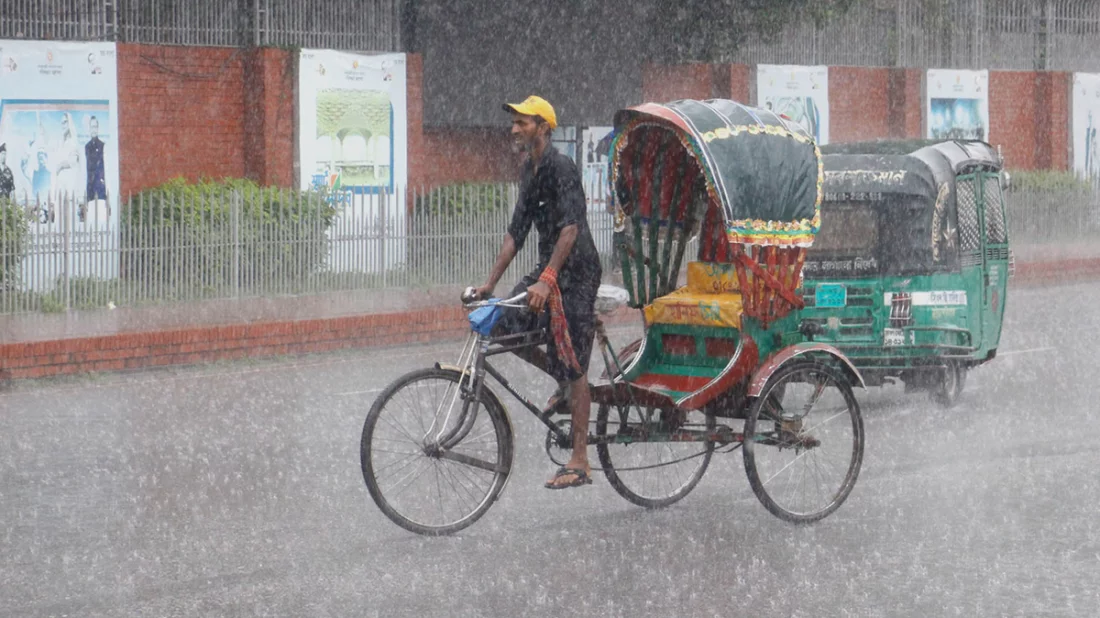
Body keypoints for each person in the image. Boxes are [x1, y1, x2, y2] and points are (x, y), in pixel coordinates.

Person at [473, 95, 603, 490]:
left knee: (575, 360)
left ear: (544, 127)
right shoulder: (528, 172)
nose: (514, 129)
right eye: (513, 123)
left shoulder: (561, 167)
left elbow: (570, 228)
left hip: (576, 272)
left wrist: (548, 279)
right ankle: (563, 382)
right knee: (500, 324)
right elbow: (516, 233)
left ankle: (580, 459)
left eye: (523, 122)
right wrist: (490, 284)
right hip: (547, 269)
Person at [85, 116, 108, 222]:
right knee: (90, 222)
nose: (93, 129)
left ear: (98, 128)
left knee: (101, 221)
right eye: (91, 127)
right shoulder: (87, 147)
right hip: (90, 189)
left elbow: (105, 169)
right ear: (89, 128)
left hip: (100, 189)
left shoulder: (103, 146)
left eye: (95, 127)